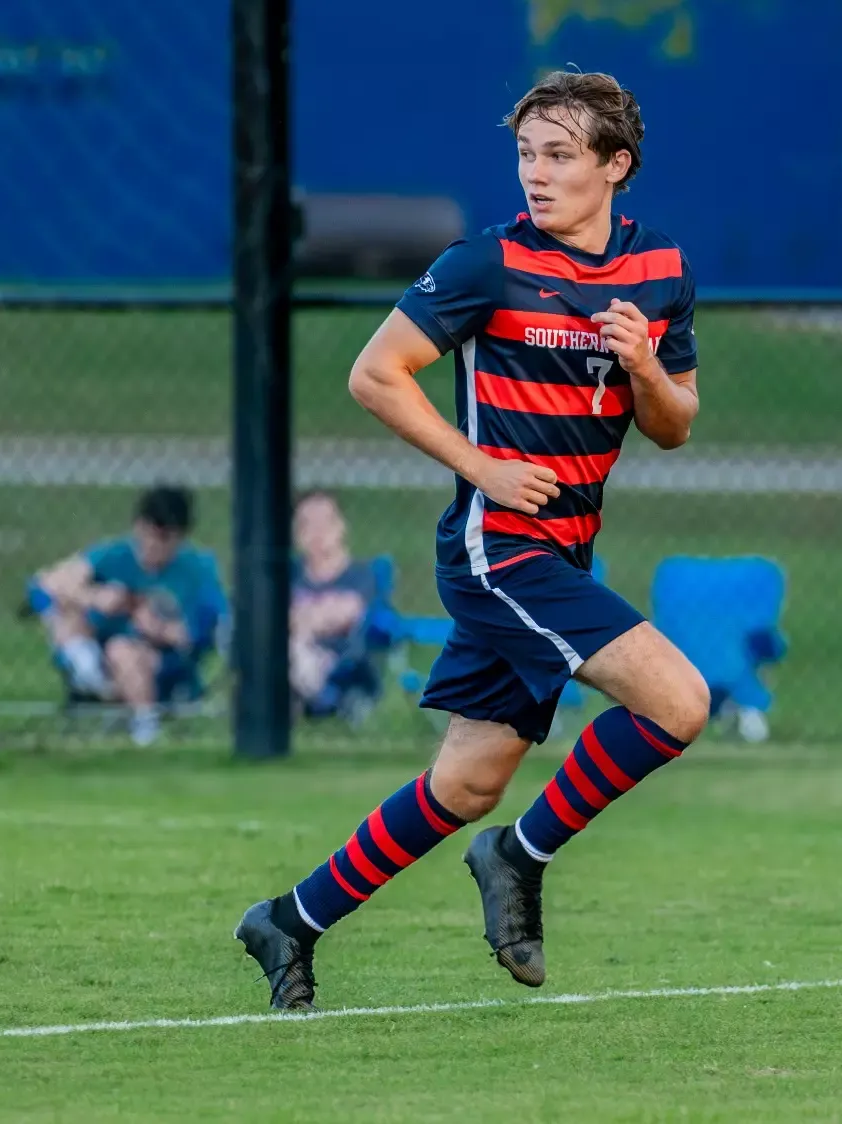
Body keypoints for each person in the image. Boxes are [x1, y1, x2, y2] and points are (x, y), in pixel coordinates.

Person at [235, 69, 710, 1010]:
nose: (537, 174)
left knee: (468, 782)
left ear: (617, 166)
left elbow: (676, 424)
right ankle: (516, 860)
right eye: (528, 154)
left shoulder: (660, 271)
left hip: (563, 552)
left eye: (561, 156)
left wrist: (646, 365)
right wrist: (482, 466)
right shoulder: (483, 265)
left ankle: (288, 920)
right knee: (678, 702)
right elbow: (376, 375)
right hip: (500, 550)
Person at [31, 485, 225, 746]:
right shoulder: (114, 555)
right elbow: (47, 584)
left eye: (165, 540)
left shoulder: (197, 569)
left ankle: (145, 727)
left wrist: (158, 629)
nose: (154, 547)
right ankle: (90, 674)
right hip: (99, 651)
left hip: (159, 659)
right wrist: (96, 597)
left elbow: (203, 631)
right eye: (149, 536)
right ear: (138, 528)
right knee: (66, 612)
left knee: (122, 650)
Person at [287, 490, 379, 717]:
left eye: (325, 523)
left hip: (342, 661)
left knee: (295, 647)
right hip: (294, 653)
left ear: (340, 526)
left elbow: (349, 612)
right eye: (307, 525)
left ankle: (308, 697)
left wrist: (300, 620)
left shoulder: (360, 575)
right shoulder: (288, 574)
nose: (317, 532)